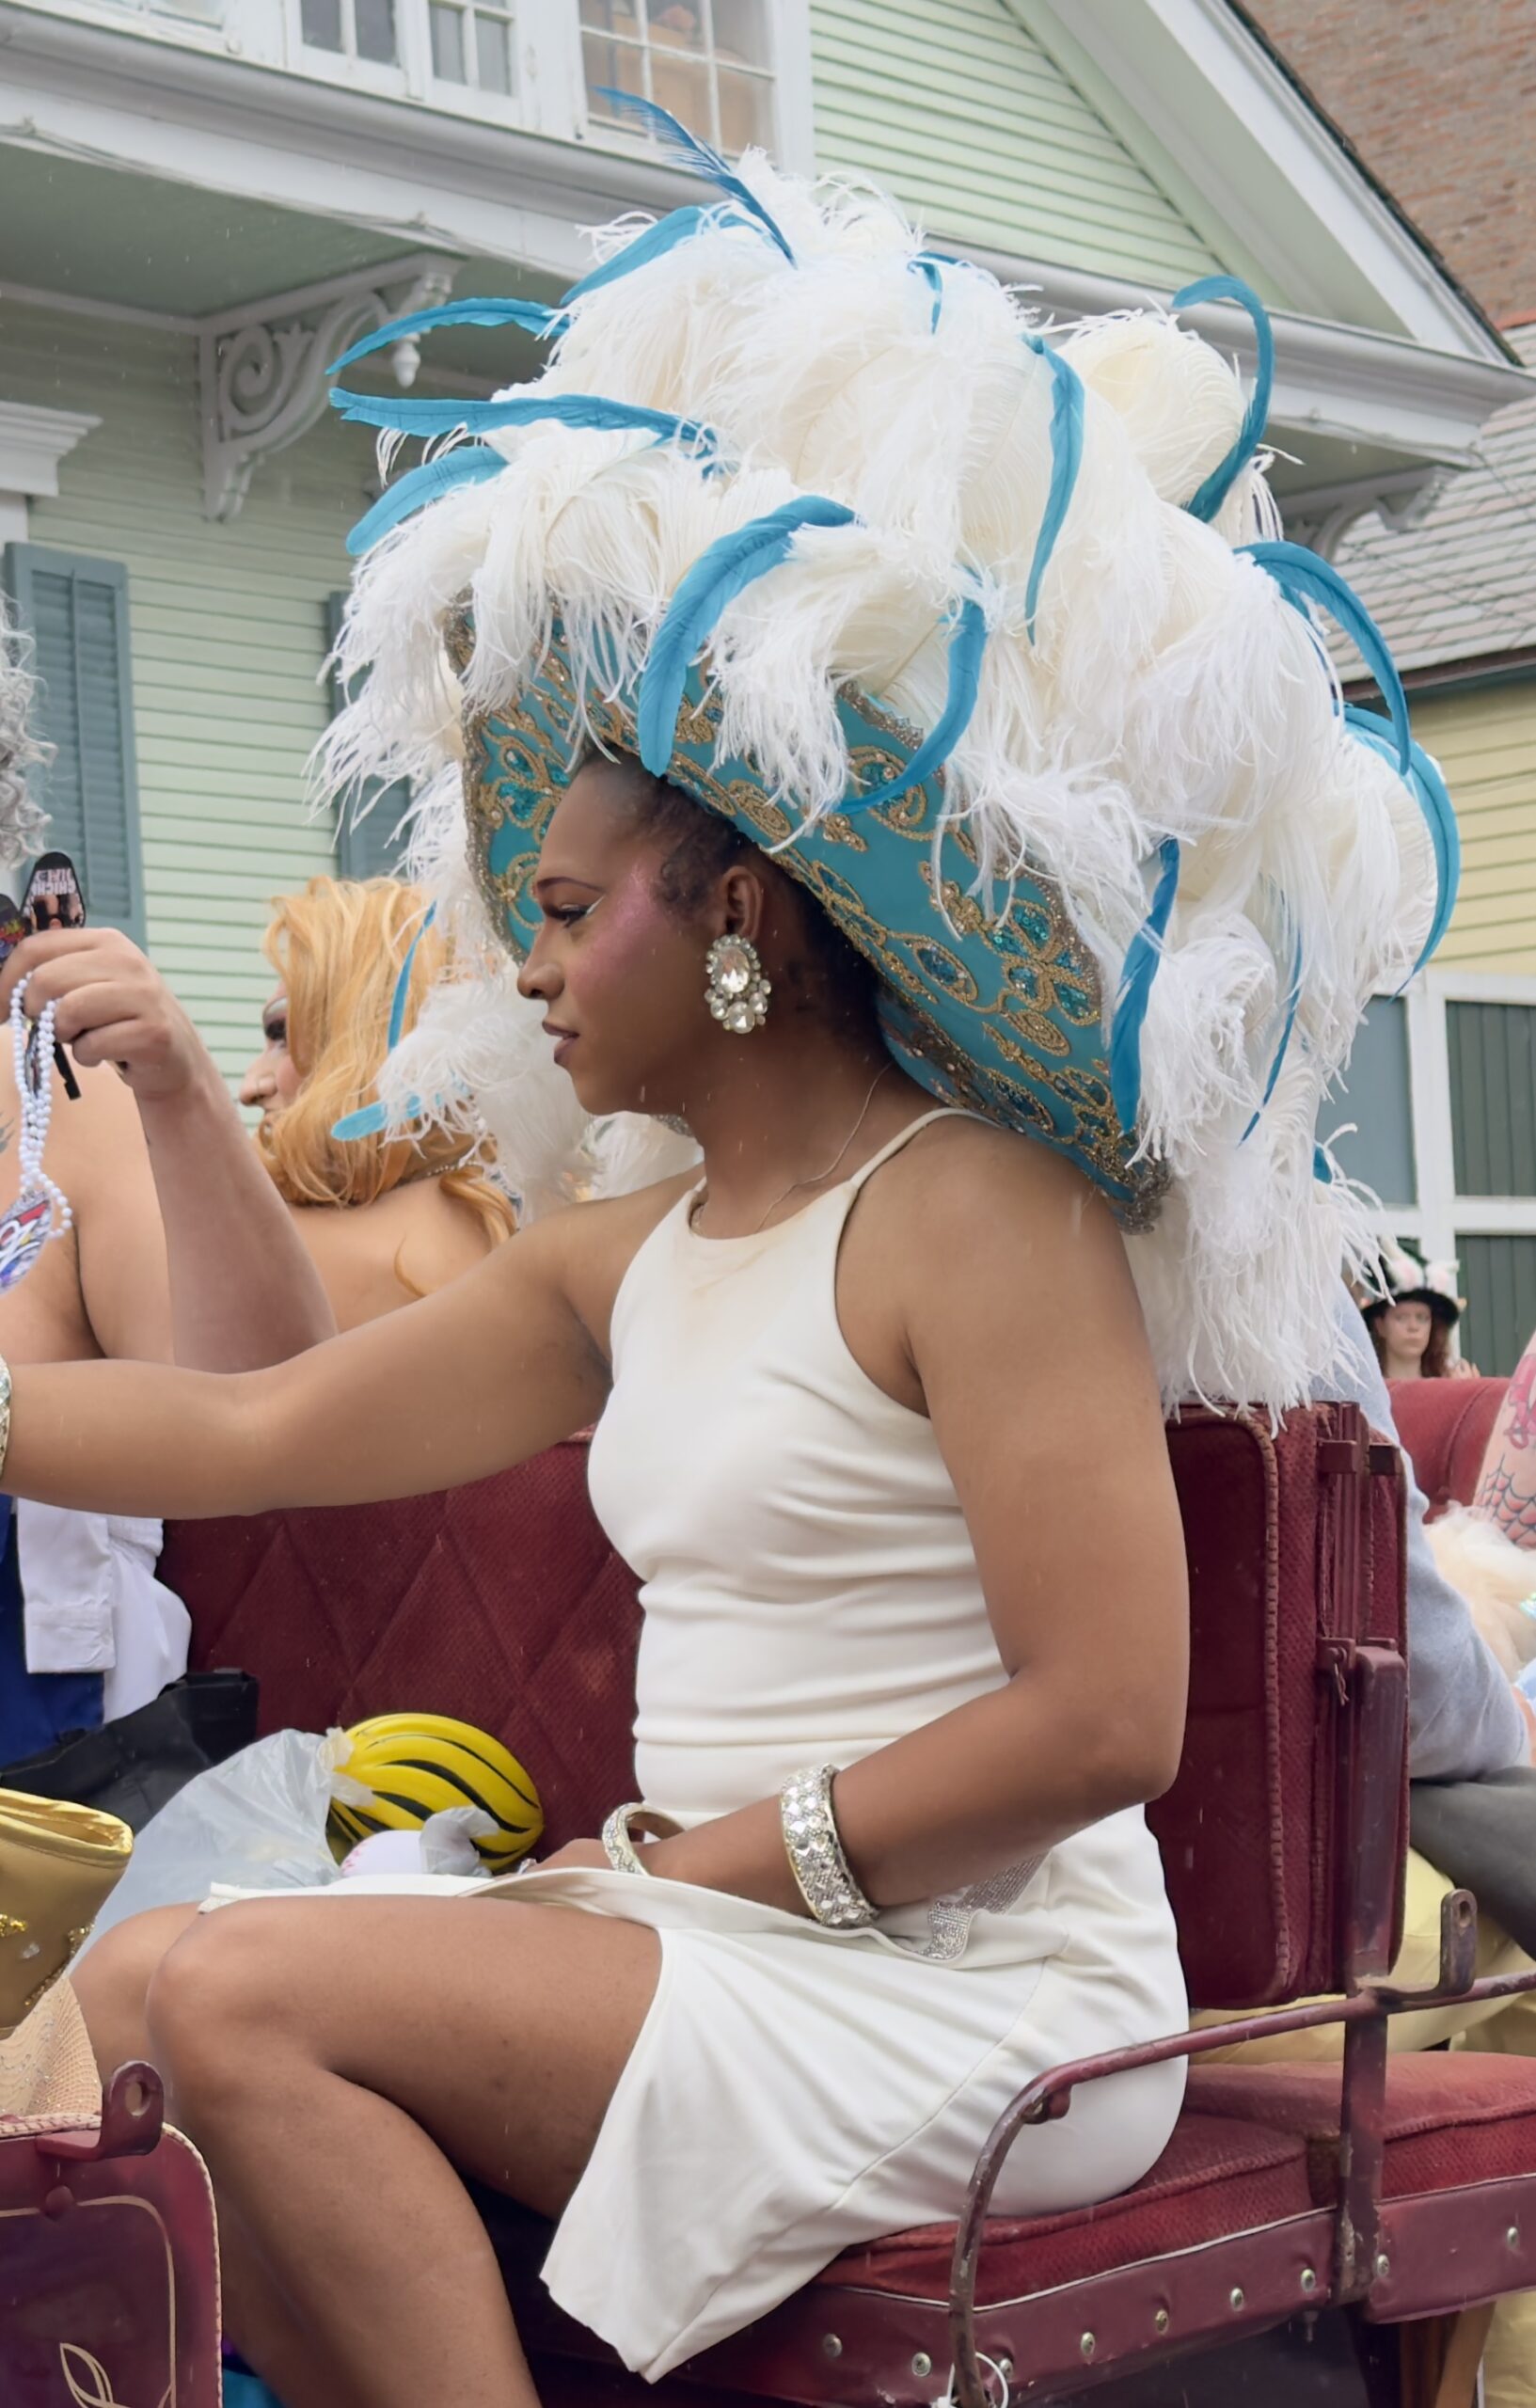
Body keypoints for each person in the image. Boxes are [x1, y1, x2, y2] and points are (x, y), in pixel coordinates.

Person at [2, 120, 1445, 2403]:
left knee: (237, 1984)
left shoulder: (976, 1206)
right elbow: (251, 1422)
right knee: (145, 1988)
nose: (527, 964)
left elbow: (1105, 1718)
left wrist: (712, 1862)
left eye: (573, 911)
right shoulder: (621, 1258)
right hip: (708, 1911)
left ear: (745, 918)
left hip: (973, 1989)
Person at [237, 875, 514, 1327]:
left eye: (282, 1034)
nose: (251, 1086)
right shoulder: (541, 1225)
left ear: (364, 1038)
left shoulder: (276, 1254)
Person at [1361, 1243, 1478, 1380]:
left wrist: (1467, 1391)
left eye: (1422, 1318)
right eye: (1401, 1317)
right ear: (1380, 1325)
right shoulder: (1363, 1389)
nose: (1413, 1327)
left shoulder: (1450, 1387)